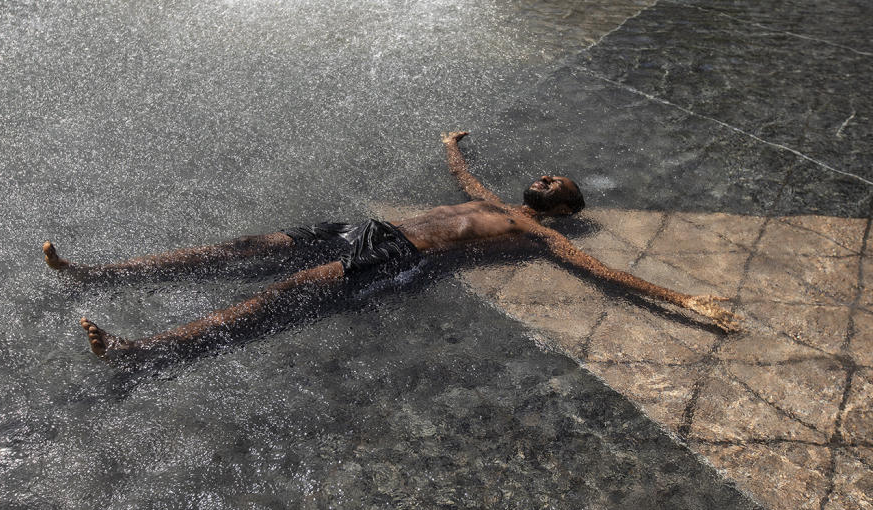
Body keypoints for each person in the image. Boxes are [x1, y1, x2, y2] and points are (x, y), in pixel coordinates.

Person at [44, 131, 740, 361]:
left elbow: (601, 268)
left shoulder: (537, 232)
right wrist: (450, 147)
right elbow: (464, 177)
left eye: (555, 180)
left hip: (394, 255)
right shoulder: (497, 202)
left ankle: (144, 349)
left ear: (562, 204)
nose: (546, 174)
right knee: (244, 244)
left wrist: (683, 297)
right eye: (547, 172)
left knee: (281, 291)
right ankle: (95, 272)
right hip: (367, 230)